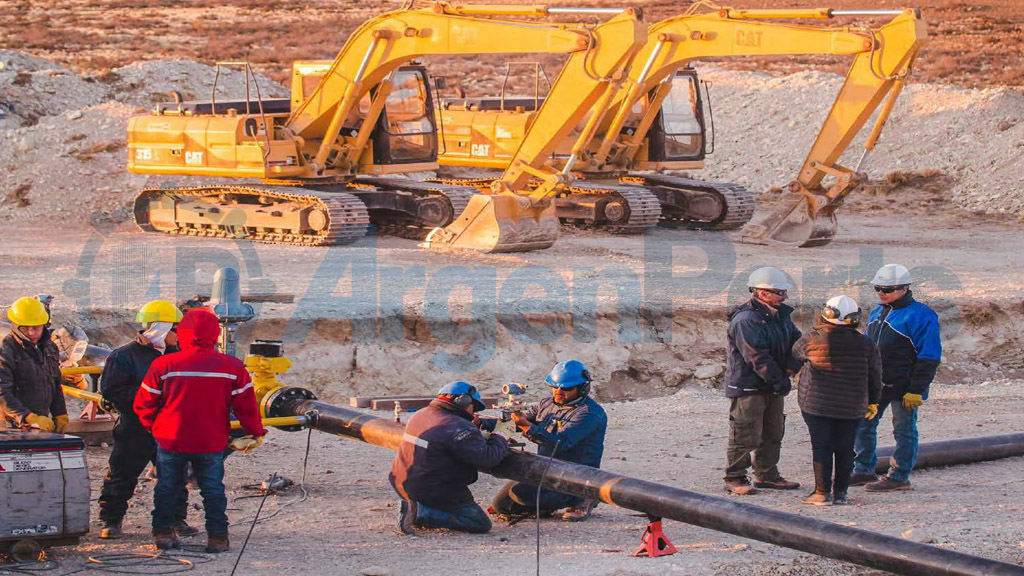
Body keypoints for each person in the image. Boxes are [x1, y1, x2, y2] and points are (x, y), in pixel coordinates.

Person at [134, 309, 266, 552]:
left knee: (166, 486)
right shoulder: (231, 366)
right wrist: (255, 431)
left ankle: (163, 533)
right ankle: (217, 537)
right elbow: (246, 407)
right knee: (213, 489)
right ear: (215, 335)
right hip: (211, 440)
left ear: (182, 333)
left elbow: (143, 403)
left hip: (171, 439)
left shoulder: (163, 364)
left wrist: (154, 427)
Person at [96, 300, 197, 539]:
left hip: (170, 428)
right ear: (160, 328)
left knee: (175, 475)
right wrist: (153, 396)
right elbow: (113, 391)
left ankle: (175, 519)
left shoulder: (180, 355)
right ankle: (111, 520)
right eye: (176, 328)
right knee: (122, 473)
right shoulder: (123, 356)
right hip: (136, 428)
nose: (180, 333)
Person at [850, 264, 941, 492]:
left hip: (904, 387)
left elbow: (929, 356)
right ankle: (862, 471)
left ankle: (900, 476)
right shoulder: (877, 312)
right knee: (863, 426)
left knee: (904, 430)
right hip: (877, 384)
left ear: (904, 288)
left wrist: (917, 389)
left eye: (887, 289)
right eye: (878, 288)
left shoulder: (922, 315)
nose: (881, 292)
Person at [792, 295, 882, 506]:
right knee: (845, 447)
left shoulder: (811, 339)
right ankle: (841, 493)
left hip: (816, 404)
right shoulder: (867, 344)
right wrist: (874, 401)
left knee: (822, 447)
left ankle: (821, 493)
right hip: (852, 406)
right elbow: (876, 376)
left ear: (826, 313)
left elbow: (794, 356)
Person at [491, 360, 606, 521]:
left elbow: (561, 444)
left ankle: (583, 497)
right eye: (554, 387)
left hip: (574, 476)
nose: (559, 392)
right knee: (502, 506)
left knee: (522, 495)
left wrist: (528, 428)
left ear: (582, 389)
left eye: (566, 388)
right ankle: (546, 505)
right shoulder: (546, 403)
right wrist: (485, 423)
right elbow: (519, 422)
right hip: (548, 469)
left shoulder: (589, 413)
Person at [389, 381, 509, 535]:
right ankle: (419, 513)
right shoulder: (458, 426)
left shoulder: (420, 414)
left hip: (402, 483)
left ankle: (415, 506)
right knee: (479, 523)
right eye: (473, 406)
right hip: (433, 488)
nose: (473, 412)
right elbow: (487, 459)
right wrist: (501, 436)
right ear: (464, 401)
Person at [723, 267, 802, 495]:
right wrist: (782, 380)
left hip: (771, 384)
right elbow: (756, 357)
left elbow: (798, 343)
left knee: (773, 432)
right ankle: (735, 477)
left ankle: (767, 474)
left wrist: (790, 368)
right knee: (745, 432)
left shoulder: (780, 317)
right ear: (762, 293)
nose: (784, 297)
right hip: (749, 387)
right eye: (779, 292)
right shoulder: (746, 320)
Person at [0, 297, 69, 433]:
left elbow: (54, 383)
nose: (31, 333)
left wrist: (60, 413)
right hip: (9, 428)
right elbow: (2, 393)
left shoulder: (49, 348)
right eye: (25, 328)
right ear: (15, 325)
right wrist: (28, 417)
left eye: (36, 328)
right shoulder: (5, 350)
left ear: (44, 324)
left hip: (39, 424)